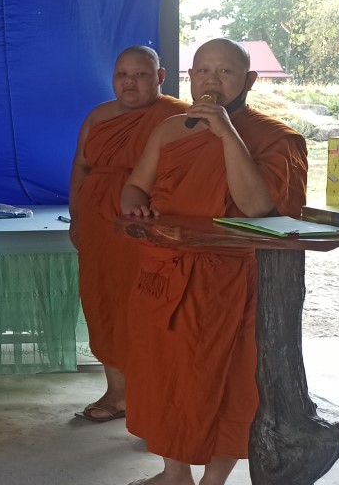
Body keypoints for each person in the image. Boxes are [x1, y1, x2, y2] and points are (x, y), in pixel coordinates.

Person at [119, 38, 308, 485]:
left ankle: (214, 479)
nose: (212, 80)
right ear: (190, 77)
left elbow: (257, 208)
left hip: (234, 280)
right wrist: (135, 206)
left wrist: (226, 134)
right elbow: (135, 186)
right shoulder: (170, 129)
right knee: (164, 375)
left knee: (229, 380)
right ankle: (175, 474)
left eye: (225, 72)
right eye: (203, 70)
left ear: (249, 80)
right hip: (165, 274)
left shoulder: (275, 138)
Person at [68, 46, 188, 423]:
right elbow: (81, 167)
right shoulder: (99, 116)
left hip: (148, 225)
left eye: (140, 74)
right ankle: (117, 394)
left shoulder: (179, 117)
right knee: (103, 302)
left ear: (160, 77)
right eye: (122, 74)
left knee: (146, 307)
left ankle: (154, 396)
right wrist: (77, 219)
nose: (129, 82)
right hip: (99, 226)